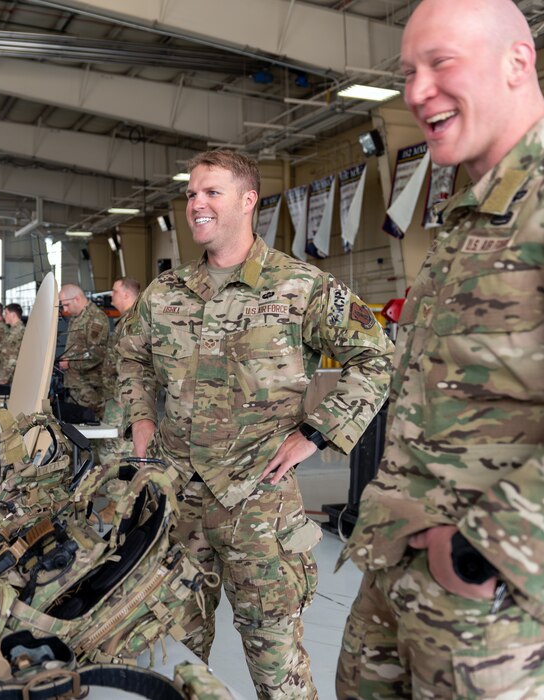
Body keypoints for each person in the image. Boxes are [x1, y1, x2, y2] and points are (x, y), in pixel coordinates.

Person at [336, 1, 544, 697]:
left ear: (518, 61)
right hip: (397, 573)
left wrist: (481, 552)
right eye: (407, 72)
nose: (417, 90)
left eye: (440, 62)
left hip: (501, 615)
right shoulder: (468, 216)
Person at [116, 149, 393, 698]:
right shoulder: (164, 294)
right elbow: (132, 358)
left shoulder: (300, 287)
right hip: (175, 503)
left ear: (247, 201)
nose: (196, 203)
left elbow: (377, 357)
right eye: (192, 192)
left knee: (276, 663)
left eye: (211, 192)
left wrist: (315, 434)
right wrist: (141, 419)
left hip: (259, 505)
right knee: (167, 655)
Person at [95, 277, 141, 466]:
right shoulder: (125, 321)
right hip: (118, 397)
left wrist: (123, 399)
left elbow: (133, 364)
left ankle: (121, 494)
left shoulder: (132, 322)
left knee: (113, 451)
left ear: (125, 294)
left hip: (123, 400)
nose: (110, 295)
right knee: (118, 449)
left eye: (114, 291)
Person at [58, 284, 111, 417]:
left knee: (92, 431)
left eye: (66, 305)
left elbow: (97, 354)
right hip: (75, 387)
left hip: (89, 390)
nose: (65, 309)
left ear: (76, 299)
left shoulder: (95, 318)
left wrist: (70, 363)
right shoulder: (76, 318)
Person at [0, 302, 26, 385]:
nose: (4, 316)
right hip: (13, 375)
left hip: (14, 376)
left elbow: (12, 357)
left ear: (13, 315)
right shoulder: (13, 330)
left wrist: (4, 378)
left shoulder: (17, 332)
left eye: (6, 313)